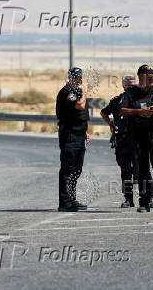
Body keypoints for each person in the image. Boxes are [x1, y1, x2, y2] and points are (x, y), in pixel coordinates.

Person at [119, 65, 153, 213]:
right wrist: (139, 111)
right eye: (148, 76)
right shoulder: (131, 93)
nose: (151, 79)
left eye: (152, 76)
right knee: (142, 170)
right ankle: (143, 202)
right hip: (138, 136)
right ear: (141, 77)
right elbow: (122, 110)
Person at [101, 75, 141, 208]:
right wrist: (111, 125)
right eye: (129, 86)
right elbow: (103, 112)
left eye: (134, 85)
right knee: (125, 170)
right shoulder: (118, 100)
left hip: (138, 139)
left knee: (140, 169)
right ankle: (128, 199)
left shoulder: (141, 99)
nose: (132, 88)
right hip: (122, 139)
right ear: (124, 87)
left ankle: (148, 197)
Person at [56, 67, 91, 212]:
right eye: (75, 78)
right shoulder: (67, 92)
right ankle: (64, 202)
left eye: (80, 78)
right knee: (68, 169)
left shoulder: (77, 92)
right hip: (69, 136)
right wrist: (85, 92)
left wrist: (85, 131)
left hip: (79, 135)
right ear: (69, 78)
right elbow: (80, 105)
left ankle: (72, 199)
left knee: (77, 169)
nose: (78, 80)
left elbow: (79, 115)